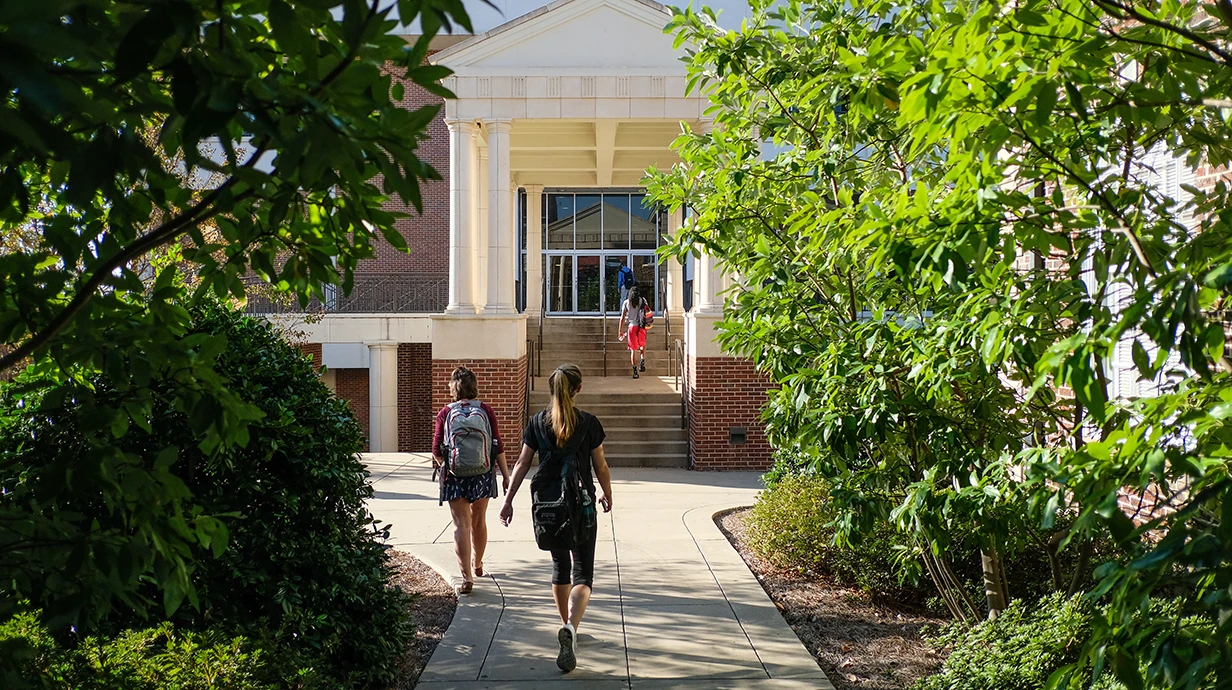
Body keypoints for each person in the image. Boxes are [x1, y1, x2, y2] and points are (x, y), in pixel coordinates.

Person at [499, 364, 613, 673]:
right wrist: (607, 493)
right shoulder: (588, 423)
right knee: (583, 574)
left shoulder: (537, 423)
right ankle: (571, 628)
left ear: (551, 389)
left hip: (549, 508)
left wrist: (508, 501)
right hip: (582, 506)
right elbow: (600, 465)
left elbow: (522, 464)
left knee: (560, 566)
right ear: (578, 390)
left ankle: (565, 624)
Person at [432, 366, 510, 594]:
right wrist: (506, 476)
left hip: (454, 475)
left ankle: (466, 577)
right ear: (474, 386)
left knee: (461, 525)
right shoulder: (485, 410)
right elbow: (497, 445)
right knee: (479, 521)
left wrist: (445, 466)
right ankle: (477, 564)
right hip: (482, 472)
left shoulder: (445, 413)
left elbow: (436, 450)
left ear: (453, 388)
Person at [618, 284, 649, 378]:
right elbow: (647, 312)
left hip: (631, 327)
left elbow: (622, 317)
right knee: (643, 344)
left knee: (633, 350)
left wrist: (620, 330)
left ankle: (635, 372)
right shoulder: (642, 300)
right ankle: (642, 360)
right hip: (641, 326)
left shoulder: (626, 302)